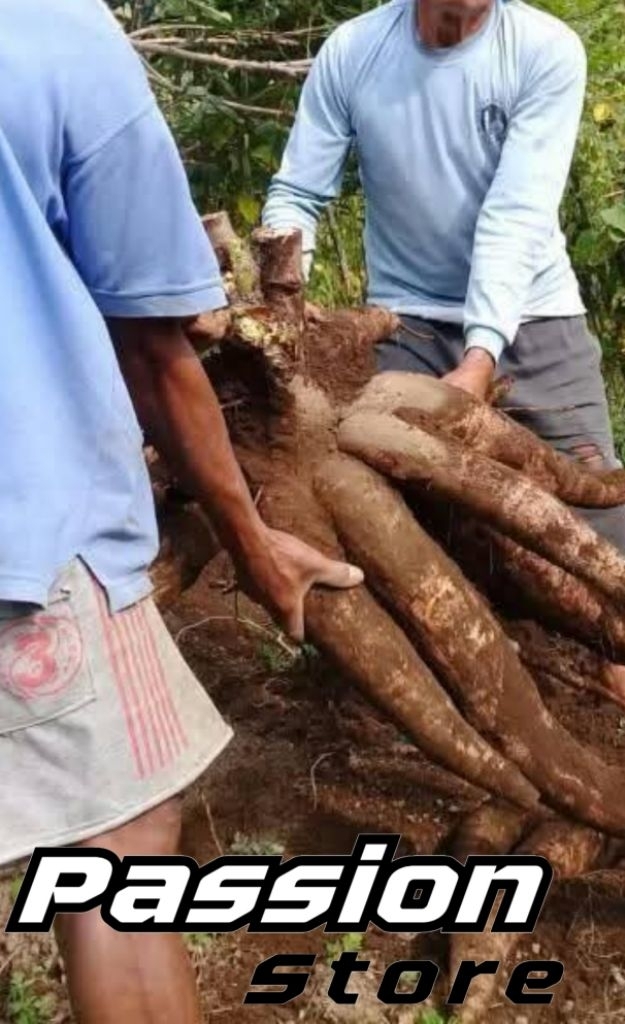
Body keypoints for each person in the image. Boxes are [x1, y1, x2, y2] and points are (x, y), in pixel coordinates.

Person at [0, 1, 364, 1021]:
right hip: (28, 537)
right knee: (119, 858)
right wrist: (253, 541)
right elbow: (156, 345)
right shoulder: (58, 33)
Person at [264, 0, 625, 734]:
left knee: (592, 497)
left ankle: (619, 663)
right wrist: (279, 293)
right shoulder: (355, 52)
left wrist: (479, 356)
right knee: (400, 504)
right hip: (406, 318)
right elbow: (300, 191)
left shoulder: (543, 50)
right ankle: (432, 667)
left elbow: (517, 211)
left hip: (533, 313)